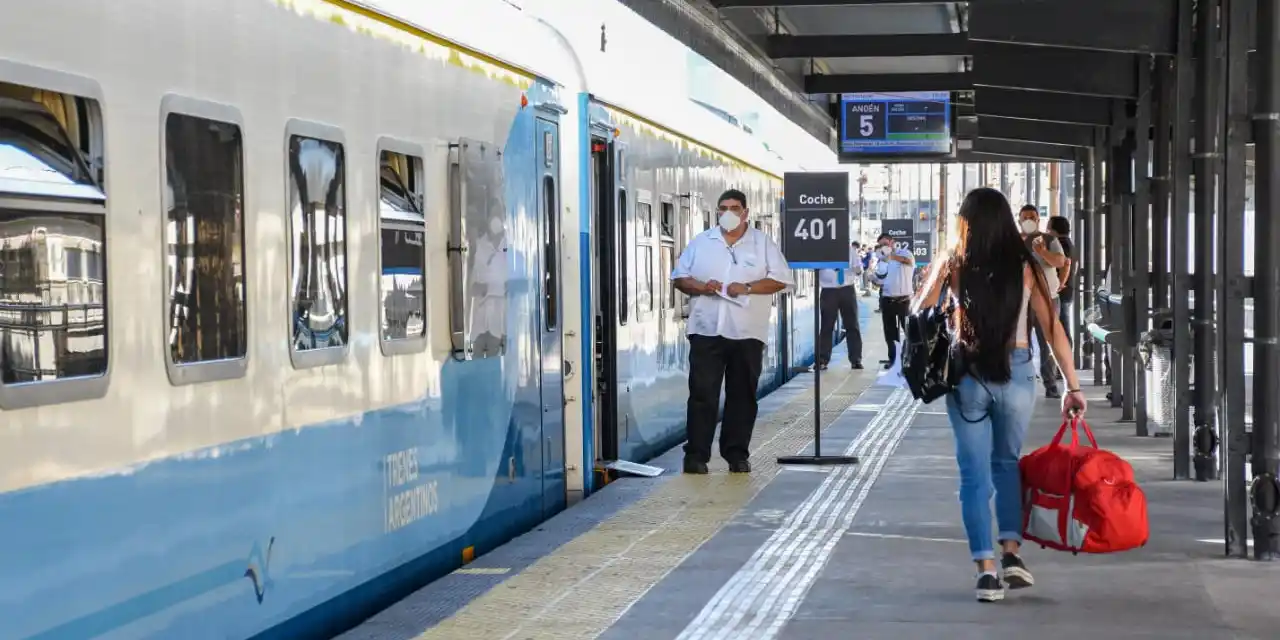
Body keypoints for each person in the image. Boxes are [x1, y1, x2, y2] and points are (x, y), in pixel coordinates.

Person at [913, 187, 1087, 603]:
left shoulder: (955, 263)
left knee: (973, 476)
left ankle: (986, 571)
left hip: (969, 377)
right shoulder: (1027, 265)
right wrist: (1072, 386)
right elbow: (1053, 330)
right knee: (1006, 463)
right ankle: (1012, 553)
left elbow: (919, 312)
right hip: (1018, 373)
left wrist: (939, 271)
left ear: (965, 223)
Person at [671, 189, 793, 474]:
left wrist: (747, 287)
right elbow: (679, 278)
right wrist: (702, 287)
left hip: (747, 332)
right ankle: (696, 456)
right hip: (706, 329)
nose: (728, 213)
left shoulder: (762, 244)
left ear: (746, 212)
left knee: (742, 395)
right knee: (702, 393)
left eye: (735, 208)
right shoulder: (702, 243)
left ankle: (736, 454)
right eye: (723, 208)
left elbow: (781, 280)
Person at [1018, 205, 1067, 398]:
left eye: (1033, 217)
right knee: (1021, 342)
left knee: (1049, 342)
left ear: (1039, 219)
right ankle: (1024, 382)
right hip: (1022, 301)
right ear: (1019, 220)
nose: (1029, 220)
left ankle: (1050, 384)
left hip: (1048, 299)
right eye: (1025, 217)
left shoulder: (1049, 240)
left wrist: (1042, 251)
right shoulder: (1012, 242)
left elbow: (1061, 262)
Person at [870, 232, 916, 369]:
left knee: (908, 331)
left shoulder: (905, 253)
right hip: (887, 299)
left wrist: (892, 257)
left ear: (892, 242)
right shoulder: (882, 262)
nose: (883, 247)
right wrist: (873, 278)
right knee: (890, 332)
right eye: (880, 245)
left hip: (904, 300)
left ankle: (912, 359)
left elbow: (909, 263)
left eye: (885, 244)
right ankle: (894, 359)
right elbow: (881, 280)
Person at [817, 241, 864, 370]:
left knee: (852, 325)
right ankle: (822, 359)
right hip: (828, 290)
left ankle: (856, 359)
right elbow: (812, 268)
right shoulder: (821, 250)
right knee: (826, 326)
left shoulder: (849, 250)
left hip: (847, 289)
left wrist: (855, 269)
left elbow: (859, 268)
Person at [1047, 216, 1075, 343]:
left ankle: (1066, 355)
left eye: (1049, 227)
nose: (1047, 230)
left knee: (1061, 327)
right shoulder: (1069, 243)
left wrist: (1059, 284)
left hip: (1061, 291)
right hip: (1068, 290)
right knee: (1063, 324)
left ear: (1054, 229)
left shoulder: (1060, 244)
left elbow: (1066, 264)